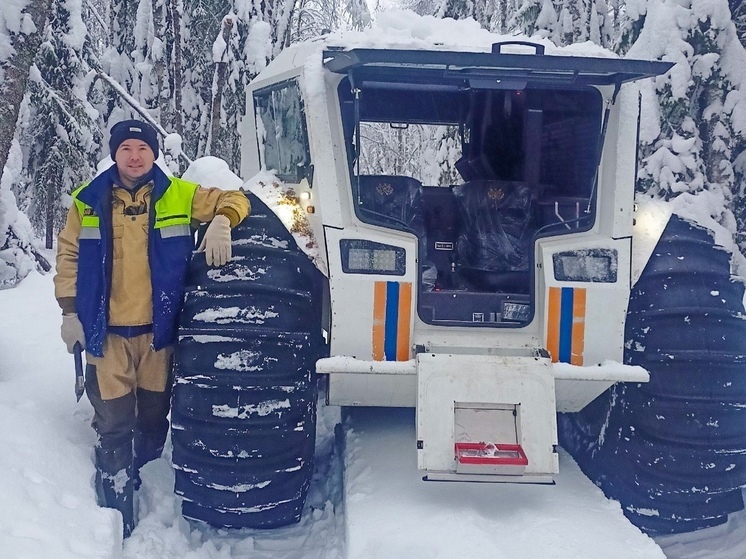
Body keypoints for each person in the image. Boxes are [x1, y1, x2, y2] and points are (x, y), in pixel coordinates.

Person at [53, 119, 250, 538]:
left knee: (154, 415)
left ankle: (147, 478)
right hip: (105, 335)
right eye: (126, 149)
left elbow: (236, 197)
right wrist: (69, 312)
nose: (135, 156)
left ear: (155, 153)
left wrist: (222, 221)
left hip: (159, 334)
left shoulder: (179, 193)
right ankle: (116, 499)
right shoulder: (87, 201)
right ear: (115, 153)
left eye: (143, 148)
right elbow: (69, 256)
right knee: (113, 420)